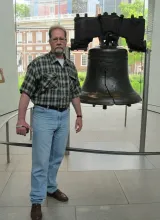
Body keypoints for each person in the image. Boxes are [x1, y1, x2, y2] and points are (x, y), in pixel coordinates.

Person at [16, 25, 83, 220]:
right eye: (55, 39)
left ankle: (51, 188)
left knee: (56, 158)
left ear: (66, 41)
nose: (59, 42)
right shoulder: (38, 64)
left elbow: (75, 93)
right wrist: (21, 119)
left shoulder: (70, 66)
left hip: (64, 116)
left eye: (62, 38)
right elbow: (26, 92)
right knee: (40, 162)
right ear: (50, 42)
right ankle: (36, 200)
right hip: (43, 116)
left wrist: (79, 115)